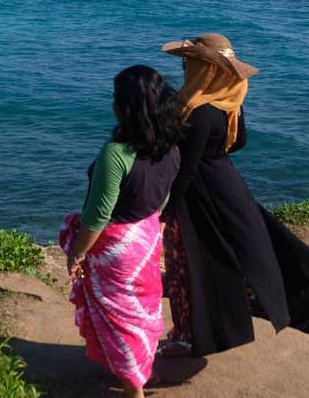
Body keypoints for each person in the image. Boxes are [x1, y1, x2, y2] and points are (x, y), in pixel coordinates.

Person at [159, 33, 309, 358]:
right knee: (230, 256)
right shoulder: (227, 105)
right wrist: (214, 154)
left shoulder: (198, 112)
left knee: (187, 265)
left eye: (189, 62)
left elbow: (187, 170)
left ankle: (184, 337)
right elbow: (240, 142)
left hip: (200, 193)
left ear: (206, 70)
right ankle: (197, 334)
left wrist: (165, 214)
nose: (184, 67)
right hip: (227, 183)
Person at [59, 64, 183, 398]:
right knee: (140, 312)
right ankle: (144, 370)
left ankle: (133, 390)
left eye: (115, 98)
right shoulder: (172, 149)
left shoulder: (116, 154)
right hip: (147, 239)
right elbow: (162, 199)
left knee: (118, 321)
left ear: (126, 108)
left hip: (118, 250)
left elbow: (98, 216)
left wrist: (77, 253)